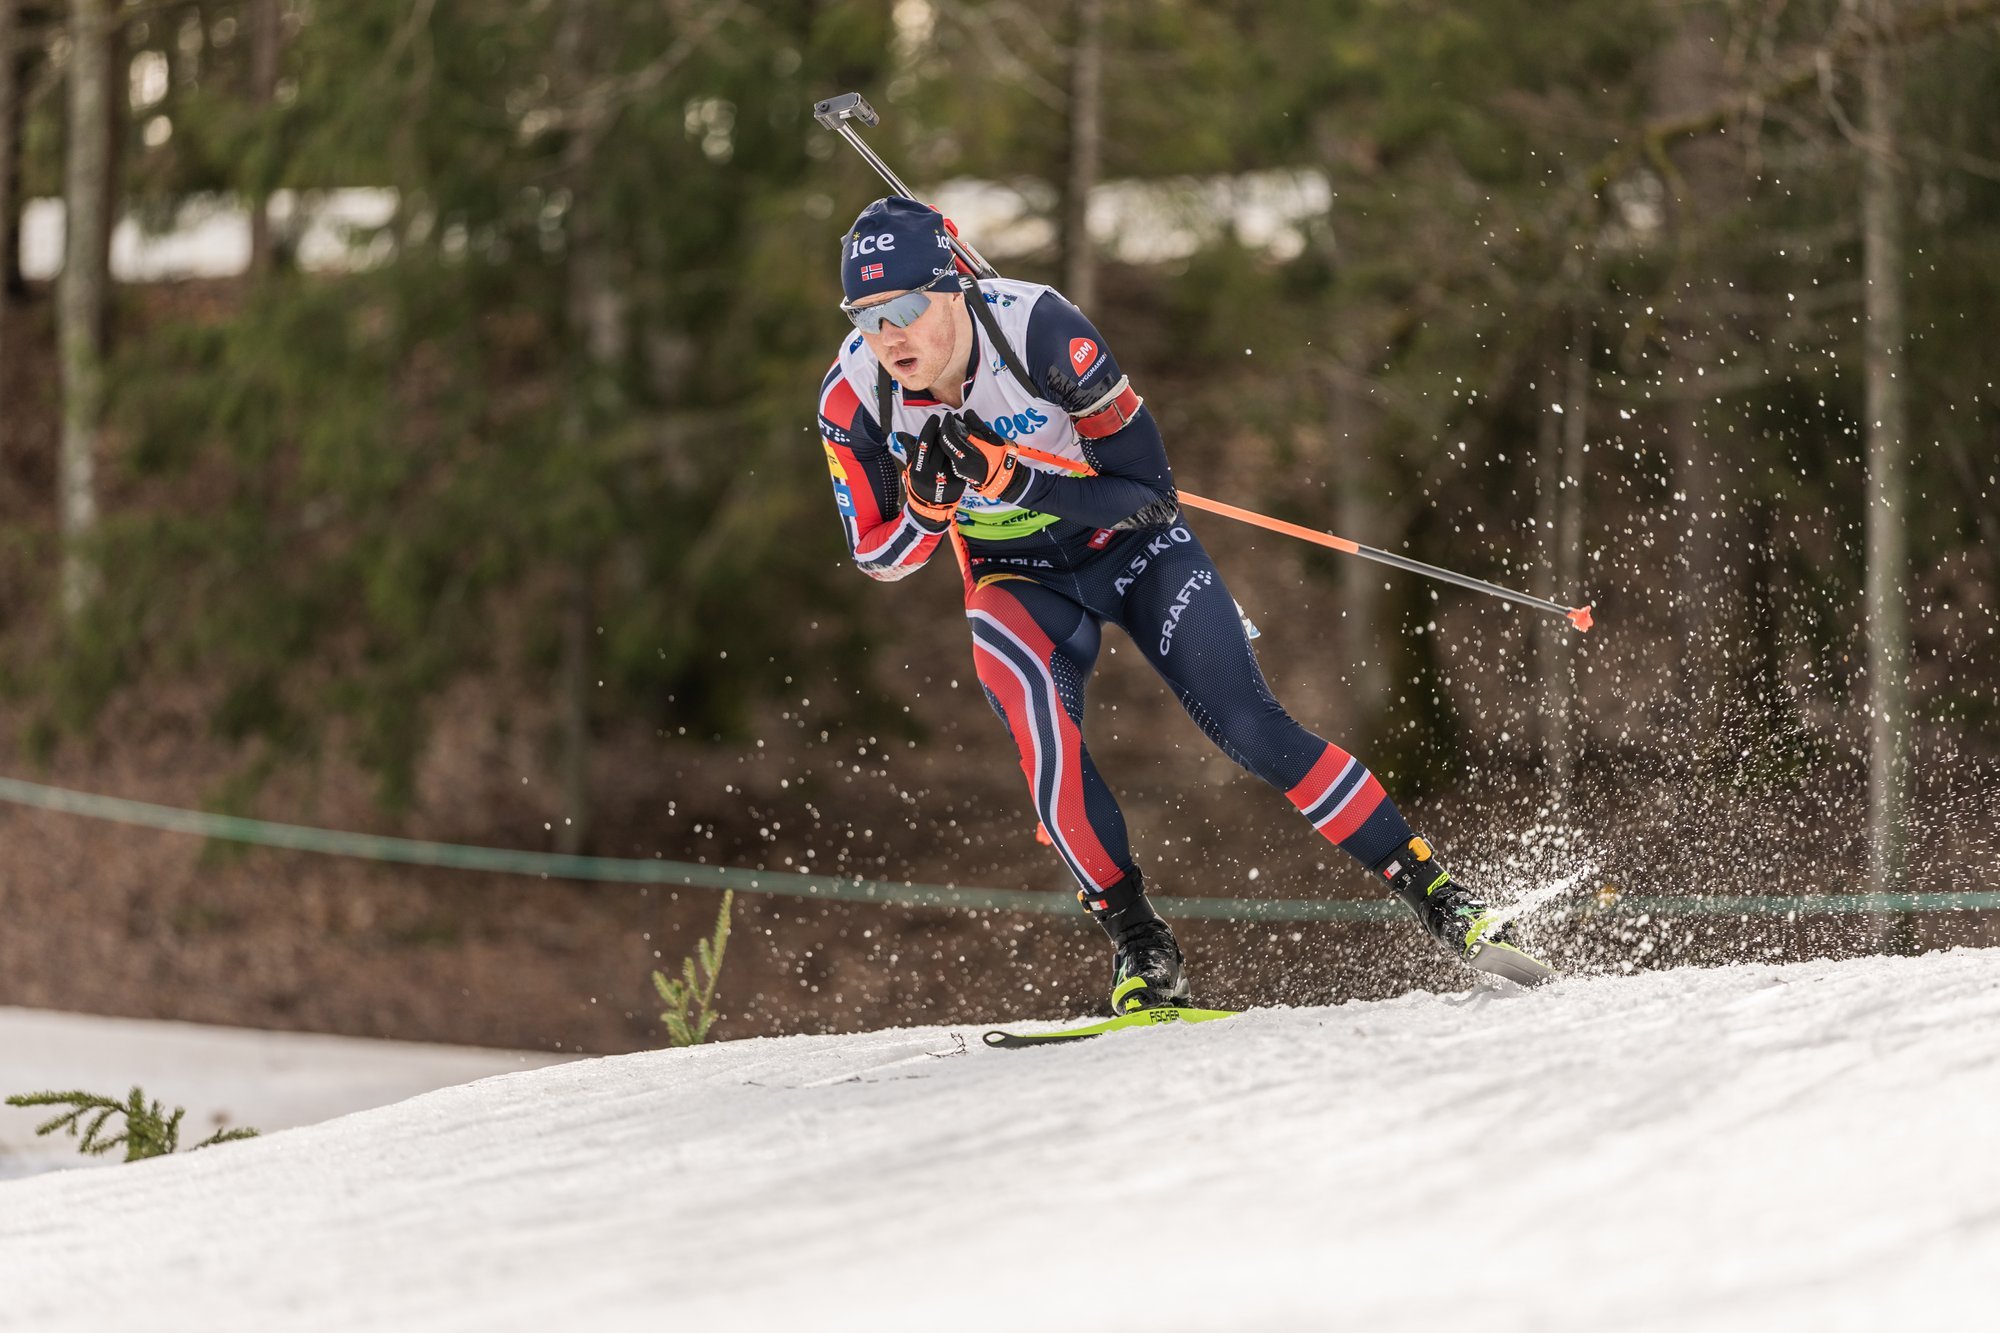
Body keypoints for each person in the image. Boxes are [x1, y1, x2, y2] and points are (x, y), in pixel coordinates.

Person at [815, 197, 1552, 1013]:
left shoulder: (1040, 333)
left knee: (1251, 728)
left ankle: (1442, 896)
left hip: (1132, 551)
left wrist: (1008, 477)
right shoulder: (854, 397)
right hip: (1013, 576)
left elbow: (1151, 496)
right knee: (1046, 749)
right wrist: (927, 505)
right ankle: (1142, 945)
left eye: (908, 308)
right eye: (868, 315)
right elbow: (880, 557)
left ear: (954, 287)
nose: (891, 336)